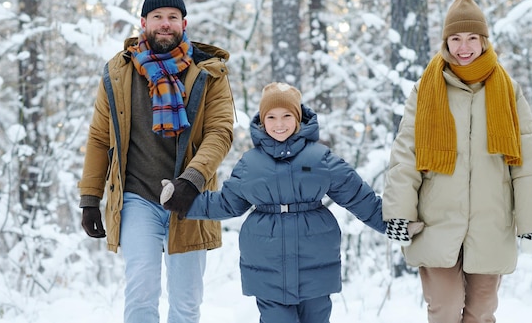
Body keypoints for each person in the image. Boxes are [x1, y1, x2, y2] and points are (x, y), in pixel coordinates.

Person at [382, 0, 532, 323]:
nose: (464, 47)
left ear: (484, 41)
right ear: (446, 42)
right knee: (444, 309)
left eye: (472, 38)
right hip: (437, 222)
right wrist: (399, 213)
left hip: (491, 223)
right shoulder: (425, 89)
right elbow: (405, 156)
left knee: (482, 311)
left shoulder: (509, 90)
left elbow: (526, 164)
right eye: (456, 38)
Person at [160, 82, 386, 323]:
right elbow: (227, 203)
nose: (280, 124)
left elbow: (358, 196)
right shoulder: (250, 164)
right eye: (272, 117)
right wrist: (184, 202)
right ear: (262, 121)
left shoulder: (320, 158)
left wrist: (392, 222)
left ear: (298, 118)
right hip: (268, 266)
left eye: (287, 115)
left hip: (316, 264)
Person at [78, 0, 234, 323]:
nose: (165, 24)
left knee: (186, 302)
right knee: (140, 295)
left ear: (184, 23)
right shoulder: (118, 73)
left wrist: (191, 181)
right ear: (144, 22)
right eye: (158, 17)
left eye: (172, 18)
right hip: (138, 198)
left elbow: (220, 133)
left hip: (191, 199)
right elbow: (99, 137)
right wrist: (90, 197)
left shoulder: (210, 72)